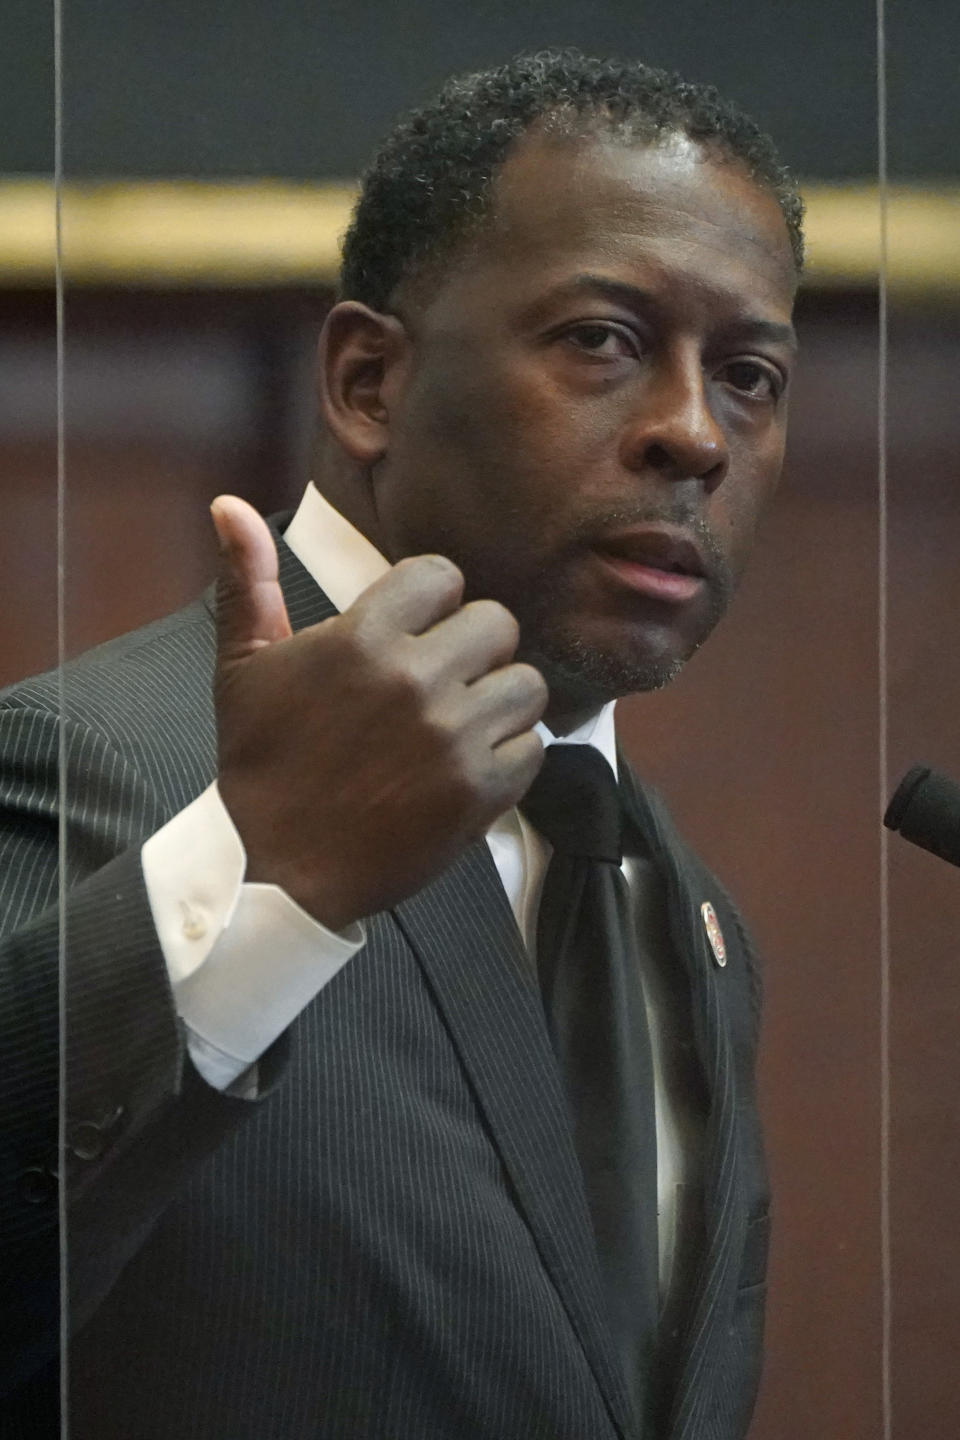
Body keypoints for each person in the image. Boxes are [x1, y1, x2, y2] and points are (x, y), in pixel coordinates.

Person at [0, 49, 802, 1440]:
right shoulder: (91, 768)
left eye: (748, 375)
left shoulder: (691, 915)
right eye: (604, 341)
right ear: (371, 379)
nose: (694, 435)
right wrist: (264, 884)